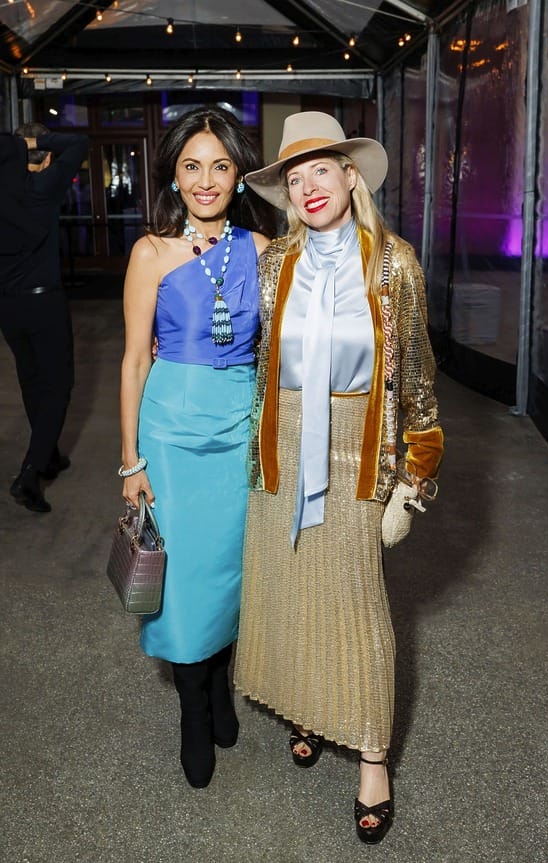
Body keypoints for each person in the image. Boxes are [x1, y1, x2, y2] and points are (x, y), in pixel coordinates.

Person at [234, 112, 444, 843]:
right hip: (283, 447)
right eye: (294, 178)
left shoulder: (393, 263)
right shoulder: (273, 264)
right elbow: (258, 367)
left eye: (320, 169)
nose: (308, 187)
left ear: (351, 175)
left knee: (357, 606)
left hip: (358, 453)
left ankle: (373, 758)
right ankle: (308, 705)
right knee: (290, 588)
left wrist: (412, 484)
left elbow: (417, 385)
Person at [119, 106, 276, 789]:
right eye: (191, 166)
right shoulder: (150, 251)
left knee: (227, 569)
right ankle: (192, 701)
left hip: (237, 424)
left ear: (239, 174)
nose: (205, 180)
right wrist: (131, 460)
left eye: (219, 165)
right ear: (173, 176)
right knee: (180, 577)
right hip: (171, 432)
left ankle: (218, 684)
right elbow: (131, 360)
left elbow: (279, 350)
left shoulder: (265, 251)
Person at [1, 123, 90, 513]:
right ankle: (31, 474)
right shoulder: (43, 188)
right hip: (43, 303)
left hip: (7, 306)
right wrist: (33, 143)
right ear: (45, 158)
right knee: (57, 386)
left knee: (31, 378)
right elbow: (80, 142)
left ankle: (49, 452)